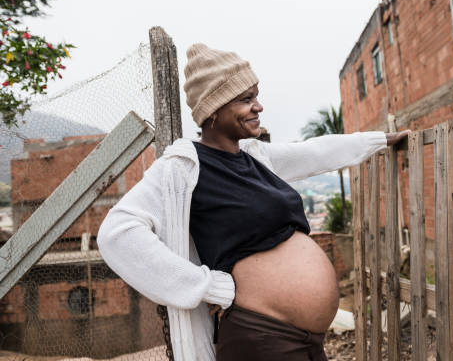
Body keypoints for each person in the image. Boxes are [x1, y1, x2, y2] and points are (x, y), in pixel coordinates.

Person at [97, 43, 410, 361]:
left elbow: (314, 152)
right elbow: (117, 233)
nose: (258, 107)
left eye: (256, 97)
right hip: (261, 338)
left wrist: (379, 140)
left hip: (303, 339)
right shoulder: (183, 167)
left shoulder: (254, 156)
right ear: (214, 109)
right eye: (246, 99)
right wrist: (206, 286)